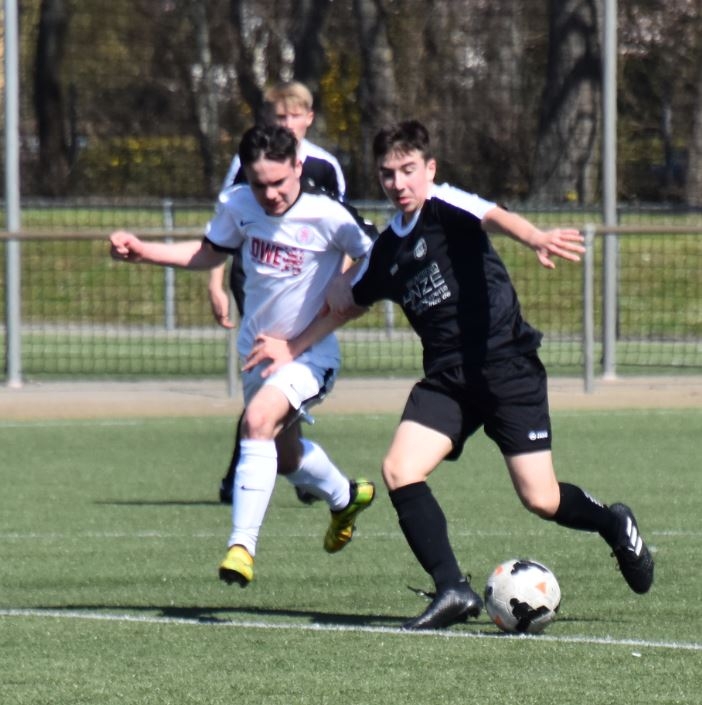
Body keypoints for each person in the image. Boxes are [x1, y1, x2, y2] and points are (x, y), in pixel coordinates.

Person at [244, 119, 654, 629]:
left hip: (506, 367)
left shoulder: (445, 207)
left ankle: (613, 523)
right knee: (399, 469)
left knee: (541, 498)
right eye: (388, 173)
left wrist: (536, 237)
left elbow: (494, 216)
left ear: (430, 169)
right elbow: (347, 306)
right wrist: (292, 344)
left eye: (408, 170)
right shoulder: (387, 250)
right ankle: (453, 589)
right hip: (448, 381)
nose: (399, 183)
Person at [110, 124, 376, 588]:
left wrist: (345, 279)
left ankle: (241, 547)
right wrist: (143, 251)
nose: (270, 194)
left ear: (298, 166)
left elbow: (379, 256)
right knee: (285, 458)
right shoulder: (239, 205)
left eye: (279, 182)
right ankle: (345, 497)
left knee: (256, 422)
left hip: (311, 355)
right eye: (259, 184)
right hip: (258, 357)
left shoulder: (328, 214)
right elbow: (209, 253)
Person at [210, 80, 348, 506]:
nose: (286, 123)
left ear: (309, 119)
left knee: (277, 385)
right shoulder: (248, 162)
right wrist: (215, 282)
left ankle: (276, 468)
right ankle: (274, 468)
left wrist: (341, 282)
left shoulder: (324, 167)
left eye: (294, 116)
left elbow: (342, 231)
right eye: (278, 117)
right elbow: (224, 226)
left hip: (307, 284)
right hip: (259, 278)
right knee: (268, 376)